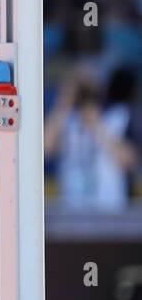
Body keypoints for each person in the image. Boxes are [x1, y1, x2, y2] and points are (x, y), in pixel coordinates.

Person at [46, 67, 138, 212]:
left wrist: (97, 125)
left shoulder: (120, 115)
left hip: (112, 211)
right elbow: (46, 148)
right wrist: (64, 102)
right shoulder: (66, 118)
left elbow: (129, 161)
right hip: (72, 209)